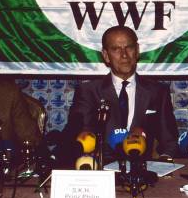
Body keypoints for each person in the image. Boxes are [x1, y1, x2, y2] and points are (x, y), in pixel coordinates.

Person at [63, 26, 178, 161]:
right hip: (102, 171)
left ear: (137, 51)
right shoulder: (88, 91)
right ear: (106, 55)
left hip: (143, 171)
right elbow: (81, 136)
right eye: (116, 49)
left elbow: (169, 141)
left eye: (129, 47)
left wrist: (164, 164)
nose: (124, 55)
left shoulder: (158, 91)